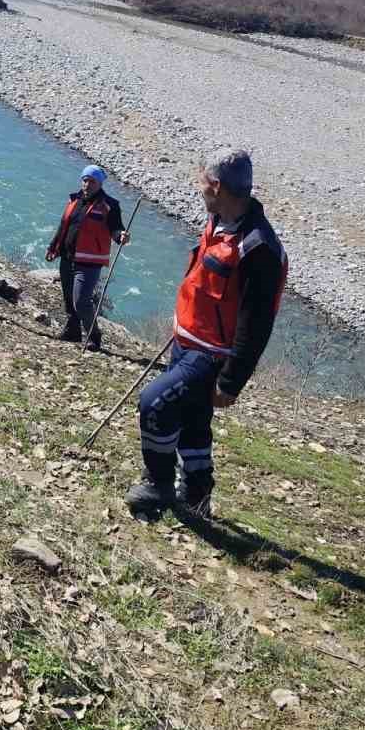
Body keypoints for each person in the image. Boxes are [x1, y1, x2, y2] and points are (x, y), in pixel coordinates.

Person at [125, 148, 287, 521]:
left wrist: (231, 383)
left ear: (216, 186)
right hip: (186, 341)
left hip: (211, 354)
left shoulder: (258, 246)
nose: (198, 191)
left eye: (201, 184)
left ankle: (158, 484)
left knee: (155, 403)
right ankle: (197, 496)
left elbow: (257, 323)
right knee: (193, 423)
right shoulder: (218, 220)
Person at [45, 165, 129, 350]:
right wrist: (53, 246)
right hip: (68, 256)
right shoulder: (74, 200)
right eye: (85, 180)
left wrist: (120, 236)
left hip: (89, 261)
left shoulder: (110, 205)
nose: (87, 184)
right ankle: (73, 331)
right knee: (69, 298)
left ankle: (94, 336)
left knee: (81, 300)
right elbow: (64, 225)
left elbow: (116, 228)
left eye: (92, 181)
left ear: (100, 183)